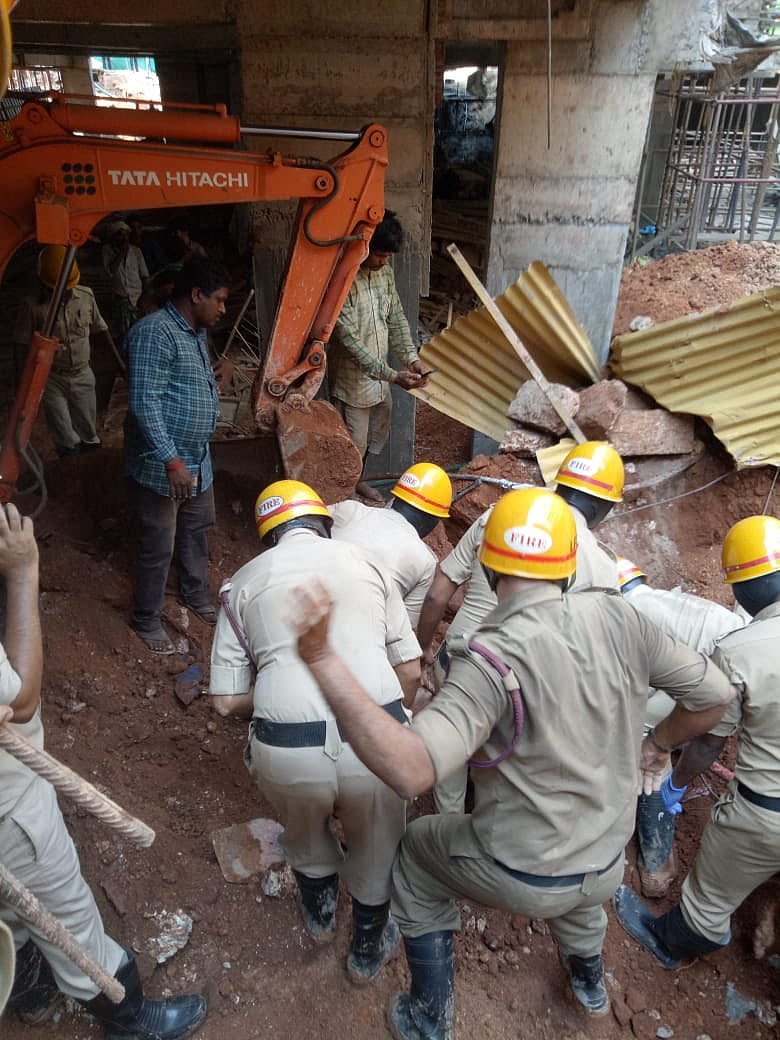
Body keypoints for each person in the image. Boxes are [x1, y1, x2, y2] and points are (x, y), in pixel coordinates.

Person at [290, 487, 735, 1035]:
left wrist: (321, 658)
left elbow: (410, 768)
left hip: (522, 873)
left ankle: (429, 1015)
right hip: (604, 865)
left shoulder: (490, 656)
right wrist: (658, 743)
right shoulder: (627, 621)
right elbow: (714, 697)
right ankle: (588, 980)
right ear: (569, 569)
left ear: (491, 573)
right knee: (581, 889)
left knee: (412, 854)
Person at [0, 502, 207, 1038]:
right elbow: (18, 701)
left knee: (10, 912)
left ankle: (29, 989)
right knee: (69, 919)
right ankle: (130, 1019)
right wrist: (24, 573)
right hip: (10, 811)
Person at [209, 480, 422, 985]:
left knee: (305, 834)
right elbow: (410, 670)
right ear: (323, 522)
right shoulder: (367, 563)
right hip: (375, 737)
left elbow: (224, 702)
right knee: (377, 844)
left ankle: (321, 915)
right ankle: (367, 949)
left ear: (269, 535)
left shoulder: (239, 584)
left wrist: (273, 698)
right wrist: (392, 725)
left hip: (288, 750)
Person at [417, 440, 622, 813]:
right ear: (605, 507)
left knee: (452, 748)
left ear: (560, 484)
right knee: (505, 766)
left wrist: (426, 652)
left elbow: (437, 595)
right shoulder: (603, 565)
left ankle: (448, 822)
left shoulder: (499, 516)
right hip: (522, 684)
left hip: (461, 658)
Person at [613, 515, 780, 969]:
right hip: (693, 684)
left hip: (763, 807)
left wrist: (668, 771)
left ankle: (659, 890)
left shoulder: (633, 612)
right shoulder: (682, 609)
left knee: (650, 756)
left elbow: (703, 738)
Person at [616, 556, 746, 897]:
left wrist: (675, 775)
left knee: (650, 740)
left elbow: (709, 739)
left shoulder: (625, 612)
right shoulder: (658, 600)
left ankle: (655, 863)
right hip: (716, 667)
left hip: (715, 674)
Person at [124, 258, 233, 655]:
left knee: (197, 530)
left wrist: (216, 379)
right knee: (159, 543)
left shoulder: (194, 333)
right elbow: (144, 401)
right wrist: (172, 460)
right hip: (163, 466)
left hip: (197, 460)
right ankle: (147, 619)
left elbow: (185, 387)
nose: (223, 309)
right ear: (196, 295)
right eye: (219, 300)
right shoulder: (154, 333)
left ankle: (195, 595)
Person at [328, 210, 429, 502]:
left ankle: (357, 484)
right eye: (380, 255)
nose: (385, 262)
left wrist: (412, 359)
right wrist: (394, 375)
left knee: (377, 435)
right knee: (352, 444)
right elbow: (349, 341)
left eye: (388, 257)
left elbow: (396, 318)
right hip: (353, 383)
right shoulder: (342, 277)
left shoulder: (383, 273)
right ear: (365, 247)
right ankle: (343, 497)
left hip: (381, 379)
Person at [12, 246, 119, 458]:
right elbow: (20, 346)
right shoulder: (32, 306)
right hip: (52, 379)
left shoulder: (86, 296)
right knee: (65, 436)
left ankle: (89, 470)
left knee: (88, 433)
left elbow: (101, 329)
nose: (64, 291)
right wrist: (21, 387)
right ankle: (69, 465)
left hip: (82, 373)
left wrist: (119, 363)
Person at [329, 462, 453, 627]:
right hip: (352, 634)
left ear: (394, 498)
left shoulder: (348, 509)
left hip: (298, 603)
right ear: (434, 520)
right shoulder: (425, 561)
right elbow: (403, 630)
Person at [101, 219, 150, 343]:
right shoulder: (107, 250)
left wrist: (144, 297)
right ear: (113, 237)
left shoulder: (136, 251)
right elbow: (110, 271)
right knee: (124, 334)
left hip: (137, 297)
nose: (123, 237)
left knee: (139, 331)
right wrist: (122, 252)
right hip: (121, 298)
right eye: (119, 234)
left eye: (125, 234)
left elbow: (144, 275)